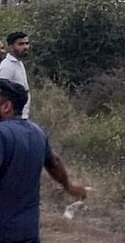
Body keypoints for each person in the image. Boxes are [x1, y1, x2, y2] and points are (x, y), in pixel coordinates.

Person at [0, 79, 87, 242]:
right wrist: (69, 186)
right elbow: (54, 163)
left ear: (6, 107)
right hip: (28, 233)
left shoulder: (2, 134)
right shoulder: (37, 132)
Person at [0, 32, 32, 119]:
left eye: (27, 43)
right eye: (20, 44)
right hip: (11, 119)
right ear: (11, 47)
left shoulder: (19, 63)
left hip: (22, 117)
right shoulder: (7, 66)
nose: (25, 47)